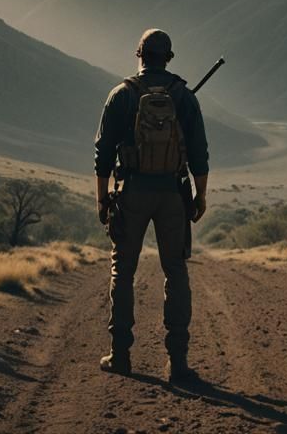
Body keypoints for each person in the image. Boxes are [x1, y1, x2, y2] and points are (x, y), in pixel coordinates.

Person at [94, 28, 209, 383]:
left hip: (132, 191)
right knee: (175, 271)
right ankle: (178, 363)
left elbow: (102, 153)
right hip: (172, 194)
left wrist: (102, 198)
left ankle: (120, 355)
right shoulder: (184, 97)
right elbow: (200, 153)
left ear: (139, 54)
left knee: (123, 270)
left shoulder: (121, 95)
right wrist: (200, 195)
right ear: (168, 58)